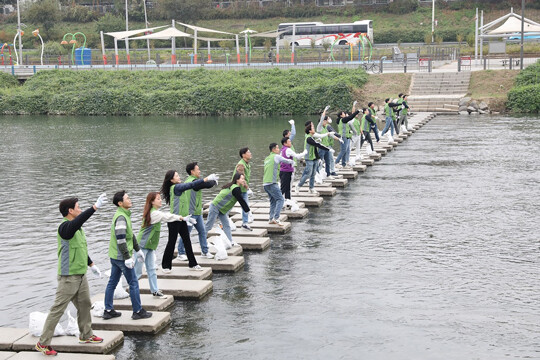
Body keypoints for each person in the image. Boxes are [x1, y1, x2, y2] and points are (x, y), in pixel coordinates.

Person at [36, 194, 107, 356]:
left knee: (85, 304)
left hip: (81, 274)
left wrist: (92, 265)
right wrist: (94, 208)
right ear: (70, 211)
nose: (80, 210)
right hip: (68, 277)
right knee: (58, 309)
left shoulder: (78, 230)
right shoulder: (65, 228)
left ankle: (86, 335)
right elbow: (78, 221)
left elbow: (81, 249)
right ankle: (43, 343)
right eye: (78, 207)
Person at [103, 191, 152, 321]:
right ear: (120, 203)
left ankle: (108, 310)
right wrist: (127, 257)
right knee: (133, 283)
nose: (130, 200)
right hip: (121, 257)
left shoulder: (124, 215)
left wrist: (137, 249)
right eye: (127, 198)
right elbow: (121, 239)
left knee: (112, 282)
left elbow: (131, 235)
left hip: (115, 256)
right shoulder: (121, 217)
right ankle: (137, 311)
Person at [160, 170, 218, 272]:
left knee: (187, 241)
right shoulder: (176, 187)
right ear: (172, 180)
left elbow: (191, 186)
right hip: (174, 220)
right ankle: (165, 266)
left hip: (183, 219)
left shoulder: (179, 187)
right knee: (171, 243)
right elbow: (191, 185)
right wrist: (206, 179)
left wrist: (188, 217)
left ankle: (193, 264)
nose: (179, 177)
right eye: (177, 176)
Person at [134, 192, 188, 299]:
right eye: (158, 199)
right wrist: (181, 218)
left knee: (151, 269)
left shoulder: (155, 212)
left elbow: (165, 216)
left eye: (160, 198)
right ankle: (132, 290)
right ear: (152, 202)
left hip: (149, 246)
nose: (160, 200)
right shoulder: (154, 214)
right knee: (137, 271)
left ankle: (155, 291)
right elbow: (166, 216)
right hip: (142, 246)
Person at [177, 162, 219, 261]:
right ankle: (180, 253)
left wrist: (212, 180)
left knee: (202, 232)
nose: (199, 171)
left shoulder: (193, 181)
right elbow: (207, 185)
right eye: (198, 169)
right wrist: (213, 181)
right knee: (186, 233)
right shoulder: (193, 182)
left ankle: (205, 251)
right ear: (192, 171)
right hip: (190, 213)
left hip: (197, 212)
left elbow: (205, 183)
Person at [205, 173, 251, 246]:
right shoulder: (235, 188)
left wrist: (246, 187)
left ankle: (230, 241)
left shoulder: (235, 186)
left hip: (222, 209)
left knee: (226, 225)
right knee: (209, 225)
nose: (243, 180)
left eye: (244, 179)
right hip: (215, 206)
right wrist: (248, 211)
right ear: (237, 180)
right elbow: (241, 200)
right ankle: (202, 241)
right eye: (242, 179)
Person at [295, 123, 333, 194]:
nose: (314, 129)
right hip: (309, 158)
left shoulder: (312, 137)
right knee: (308, 174)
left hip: (315, 157)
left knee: (313, 174)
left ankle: (311, 188)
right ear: (309, 131)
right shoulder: (309, 138)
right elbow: (317, 144)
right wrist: (328, 149)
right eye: (313, 128)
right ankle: (298, 186)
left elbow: (318, 141)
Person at [264, 142, 295, 225]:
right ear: (273, 149)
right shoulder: (276, 156)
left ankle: (271, 219)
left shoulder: (267, 158)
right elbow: (286, 160)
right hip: (272, 182)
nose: (279, 149)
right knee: (280, 199)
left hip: (265, 183)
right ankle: (276, 218)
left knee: (273, 201)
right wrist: (293, 161)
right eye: (277, 148)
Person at [317, 106, 344, 178]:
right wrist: (324, 111)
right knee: (320, 161)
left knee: (329, 160)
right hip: (321, 147)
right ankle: (318, 173)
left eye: (326, 121)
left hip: (327, 146)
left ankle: (329, 173)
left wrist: (339, 139)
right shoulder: (319, 128)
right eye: (325, 121)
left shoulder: (326, 128)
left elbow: (331, 135)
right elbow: (322, 118)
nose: (326, 122)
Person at [232, 147, 253, 231]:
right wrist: (247, 188)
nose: (250, 153)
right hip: (236, 189)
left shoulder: (247, 164)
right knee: (229, 205)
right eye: (248, 152)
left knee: (245, 206)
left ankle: (245, 223)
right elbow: (241, 178)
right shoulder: (241, 165)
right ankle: (223, 220)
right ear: (243, 155)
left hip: (242, 190)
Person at [335, 101, 360, 169]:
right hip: (343, 137)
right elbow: (351, 117)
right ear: (341, 115)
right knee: (343, 150)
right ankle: (336, 162)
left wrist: (353, 106)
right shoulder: (343, 120)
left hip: (347, 137)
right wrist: (357, 111)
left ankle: (344, 164)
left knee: (346, 150)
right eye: (343, 113)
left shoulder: (343, 120)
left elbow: (351, 115)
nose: (345, 114)